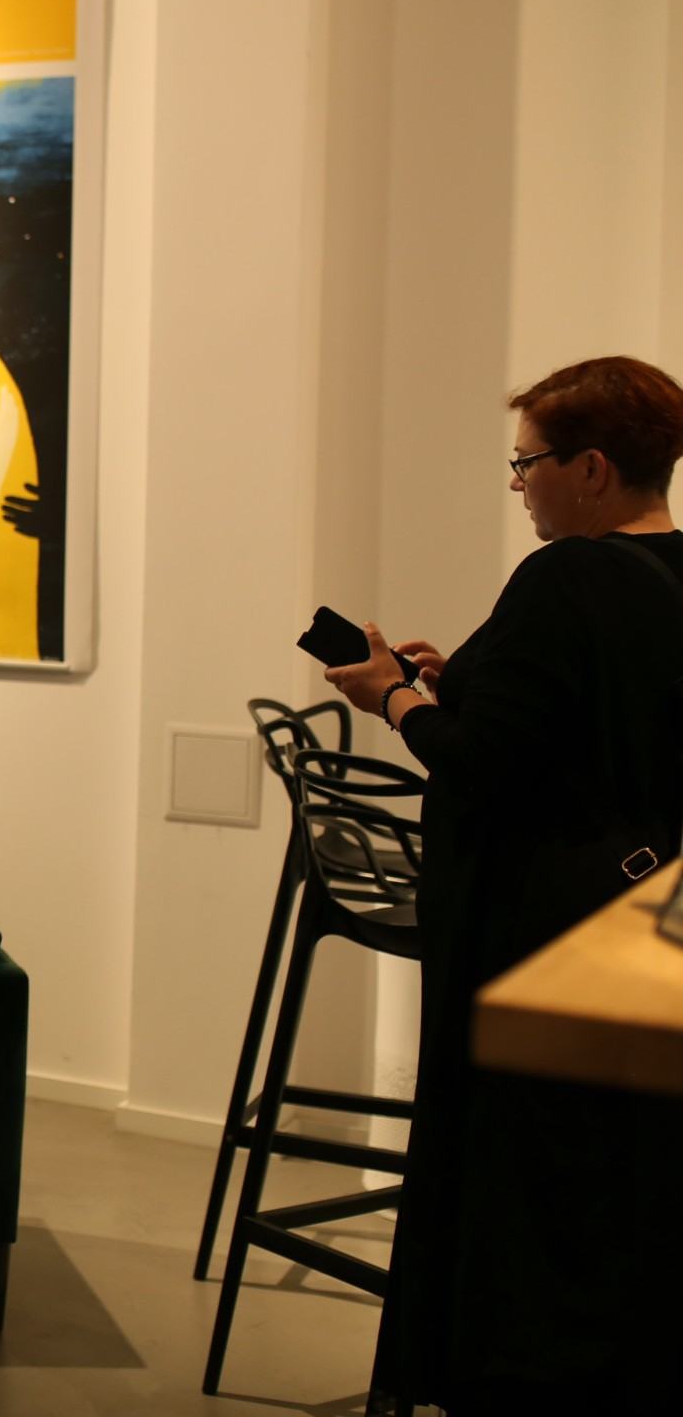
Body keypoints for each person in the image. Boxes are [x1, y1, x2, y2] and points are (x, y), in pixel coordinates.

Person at [321, 355, 683, 1413]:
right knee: (607, 1178)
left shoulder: (567, 577)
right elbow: (583, 723)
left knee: (522, 1180)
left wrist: (392, 698)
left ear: (593, 468)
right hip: (641, 917)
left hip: (538, 922)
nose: (519, 483)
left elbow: (480, 764)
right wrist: (458, 680)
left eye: (528, 463)